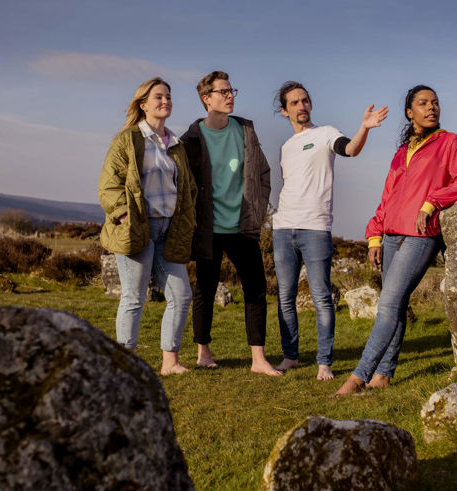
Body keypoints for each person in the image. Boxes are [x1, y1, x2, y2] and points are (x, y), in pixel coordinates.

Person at [334, 85, 457, 396]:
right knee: (395, 305)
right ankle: (384, 374)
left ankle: (359, 377)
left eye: (435, 103)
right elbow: (388, 198)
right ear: (409, 112)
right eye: (423, 103)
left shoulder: (451, 143)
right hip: (390, 235)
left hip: (421, 235)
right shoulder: (402, 152)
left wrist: (432, 203)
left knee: (388, 303)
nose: (432, 108)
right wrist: (374, 235)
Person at [272, 81, 389, 381]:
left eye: (305, 100)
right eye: (295, 103)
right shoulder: (285, 148)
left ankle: (324, 362)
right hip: (283, 228)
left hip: (315, 228)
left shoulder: (325, 134)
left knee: (322, 296)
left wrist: (364, 128)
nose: (302, 106)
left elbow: (349, 149)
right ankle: (291, 357)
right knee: (285, 296)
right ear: (284, 111)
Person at [181, 71, 281, 376]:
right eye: (222, 91)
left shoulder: (245, 129)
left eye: (231, 90)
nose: (229, 95)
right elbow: (182, 185)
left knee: (256, 289)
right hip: (208, 229)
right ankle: (203, 352)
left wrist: (257, 210)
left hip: (243, 227)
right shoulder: (191, 139)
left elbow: (262, 173)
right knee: (205, 290)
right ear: (206, 99)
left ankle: (258, 359)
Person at [98, 77, 197, 375]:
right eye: (158, 97)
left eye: (168, 96)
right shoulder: (127, 139)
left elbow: (188, 187)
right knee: (134, 296)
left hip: (171, 230)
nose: (165, 101)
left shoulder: (176, 145)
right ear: (143, 105)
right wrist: (126, 217)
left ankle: (170, 363)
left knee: (181, 296)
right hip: (137, 228)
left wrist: (189, 219)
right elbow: (109, 185)